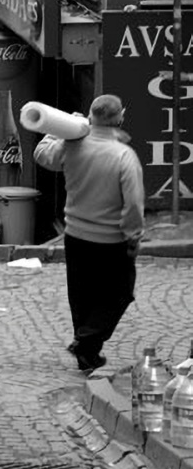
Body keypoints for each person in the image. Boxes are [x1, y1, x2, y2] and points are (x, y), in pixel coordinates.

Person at [33, 94, 145, 373]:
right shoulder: (123, 156)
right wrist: (133, 235)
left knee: (82, 295)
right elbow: (133, 203)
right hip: (111, 239)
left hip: (75, 235)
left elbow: (42, 155)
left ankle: (86, 350)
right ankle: (86, 342)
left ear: (90, 115)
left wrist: (59, 128)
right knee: (120, 293)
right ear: (121, 117)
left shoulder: (71, 144)